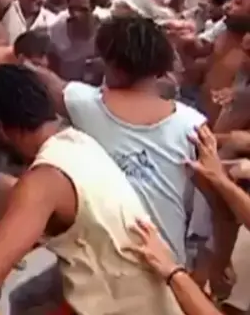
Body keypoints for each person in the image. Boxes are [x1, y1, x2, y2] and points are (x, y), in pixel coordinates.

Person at [0, 64, 182, 315]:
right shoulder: (79, 143)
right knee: (28, 303)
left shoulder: (46, 177)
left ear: (1, 129)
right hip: (150, 301)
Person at [27, 17, 210, 266]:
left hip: (104, 266)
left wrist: (22, 62)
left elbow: (50, 84)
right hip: (168, 265)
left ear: (113, 65)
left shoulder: (87, 105)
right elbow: (211, 207)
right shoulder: (194, 125)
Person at [48, 0, 103, 83]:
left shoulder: (106, 34)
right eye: (72, 8)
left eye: (83, 10)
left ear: (93, 7)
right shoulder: (56, 32)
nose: (76, 14)